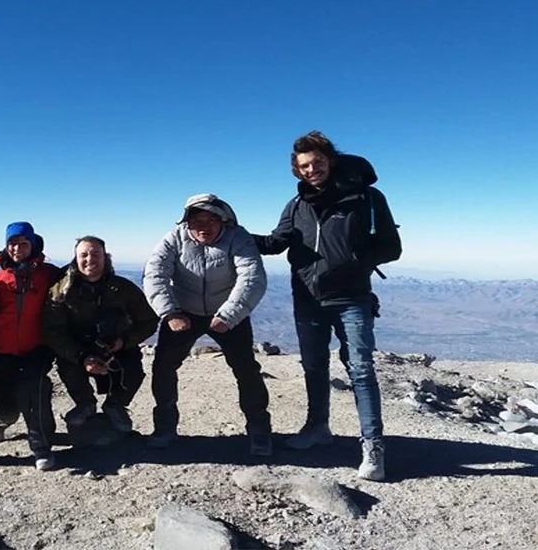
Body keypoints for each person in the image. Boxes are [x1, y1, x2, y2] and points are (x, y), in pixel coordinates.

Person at [253, 130, 402, 481]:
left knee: (361, 370)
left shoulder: (365, 198)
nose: (311, 170)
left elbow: (391, 247)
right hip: (307, 300)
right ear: (297, 169)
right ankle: (317, 428)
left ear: (330, 161)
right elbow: (275, 243)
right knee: (314, 367)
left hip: (352, 298)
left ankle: (373, 445)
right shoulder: (297, 205)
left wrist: (355, 263)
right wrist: (233, 233)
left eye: (317, 162)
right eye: (304, 165)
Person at [143, 194, 272, 455]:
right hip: (183, 312)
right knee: (163, 366)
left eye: (211, 220)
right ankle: (165, 427)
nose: (204, 226)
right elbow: (155, 275)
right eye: (197, 220)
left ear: (223, 220)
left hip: (227, 312)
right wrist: (170, 313)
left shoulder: (238, 238)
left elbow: (251, 278)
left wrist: (229, 316)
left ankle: (259, 431)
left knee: (246, 369)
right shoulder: (174, 238)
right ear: (186, 222)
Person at [42, 236, 159, 435]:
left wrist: (124, 341)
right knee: (68, 367)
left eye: (96, 254)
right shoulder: (61, 290)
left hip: (116, 347)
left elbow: (148, 321)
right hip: (77, 348)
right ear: (76, 258)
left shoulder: (123, 288)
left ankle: (115, 405)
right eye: (84, 255)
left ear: (105, 257)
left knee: (133, 370)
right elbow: (53, 330)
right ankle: (85, 404)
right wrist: (82, 357)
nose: (90, 259)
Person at [0, 221, 63, 471]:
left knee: (34, 392)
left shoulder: (48, 274)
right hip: (1, 350)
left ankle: (41, 447)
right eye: (13, 243)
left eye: (23, 243)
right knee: (2, 399)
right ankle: (1, 419)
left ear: (33, 244)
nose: (18, 248)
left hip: (35, 348)